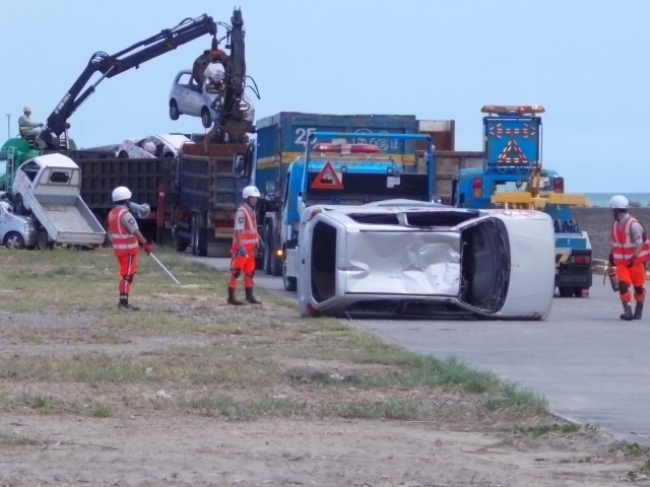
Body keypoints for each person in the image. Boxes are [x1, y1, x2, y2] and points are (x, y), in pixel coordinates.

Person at [107, 186, 153, 310]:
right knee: (127, 276)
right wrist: (145, 243)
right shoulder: (125, 215)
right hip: (128, 250)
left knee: (125, 274)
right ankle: (123, 303)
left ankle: (123, 301)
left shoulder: (112, 213)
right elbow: (135, 231)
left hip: (119, 250)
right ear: (126, 200)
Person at [609, 195, 650, 320]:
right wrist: (611, 255)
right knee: (622, 285)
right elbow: (615, 243)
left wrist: (633, 258)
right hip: (622, 263)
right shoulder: (616, 225)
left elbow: (639, 243)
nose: (611, 213)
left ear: (616, 211)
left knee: (638, 288)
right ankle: (628, 311)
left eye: (612, 210)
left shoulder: (634, 225)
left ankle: (639, 308)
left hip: (636, 263)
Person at [228, 185, 266, 305]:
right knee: (236, 271)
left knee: (250, 272)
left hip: (249, 249)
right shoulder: (242, 212)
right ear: (247, 198)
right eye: (253, 198)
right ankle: (231, 298)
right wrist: (240, 247)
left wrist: (259, 239)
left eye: (256, 198)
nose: (255, 200)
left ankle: (249, 296)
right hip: (241, 249)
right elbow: (238, 230)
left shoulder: (251, 211)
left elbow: (253, 229)